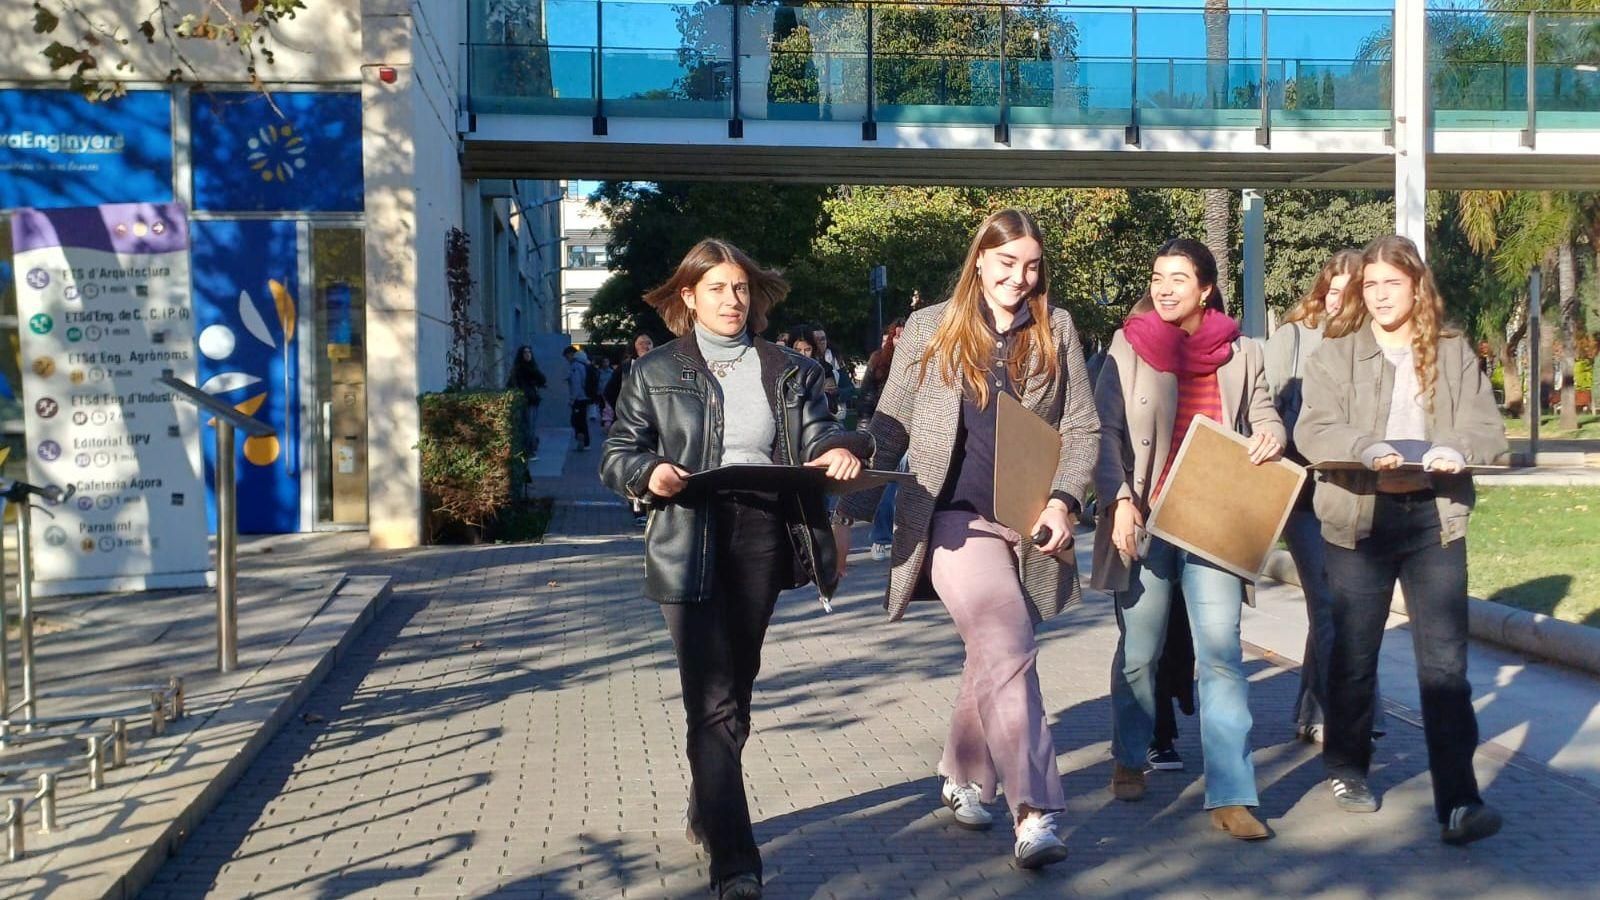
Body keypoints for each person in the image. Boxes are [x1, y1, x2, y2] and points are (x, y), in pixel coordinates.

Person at [600, 238, 871, 900]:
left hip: (762, 534)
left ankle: (707, 809)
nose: (732, 300)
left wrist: (838, 451)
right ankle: (737, 863)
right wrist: (649, 472)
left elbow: (821, 431)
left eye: (741, 288)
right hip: (687, 532)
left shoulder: (787, 368)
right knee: (713, 699)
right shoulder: (654, 371)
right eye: (717, 288)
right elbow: (617, 452)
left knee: (736, 691)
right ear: (688, 297)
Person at [838, 209, 1099, 870]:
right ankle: (1035, 811)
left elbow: (1083, 429)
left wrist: (1067, 502)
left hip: (1028, 519)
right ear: (980, 260)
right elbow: (890, 426)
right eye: (1007, 263)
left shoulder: (1056, 328)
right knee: (1011, 643)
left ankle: (959, 770)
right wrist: (846, 515)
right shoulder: (931, 328)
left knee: (991, 649)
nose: (1020, 277)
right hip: (951, 520)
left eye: (1032, 265)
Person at [1295, 234, 1508, 846]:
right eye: (1371, 285)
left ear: (1417, 285)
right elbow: (1315, 427)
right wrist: (1365, 449)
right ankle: (1347, 767)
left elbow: (1484, 427)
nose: (1382, 294)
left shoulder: (1452, 351)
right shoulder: (1336, 354)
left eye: (1393, 282)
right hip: (1359, 519)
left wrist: (1457, 450)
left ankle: (1460, 801)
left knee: (1445, 666)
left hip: (1432, 521)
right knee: (1354, 657)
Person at [1091, 238, 1285, 842]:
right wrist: (1119, 501)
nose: (1164, 287)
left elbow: (1265, 411)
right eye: (1157, 276)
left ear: (1206, 288)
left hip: (1214, 521)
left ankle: (1232, 793)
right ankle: (1130, 753)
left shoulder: (1242, 351)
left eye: (1179, 278)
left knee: (1221, 654)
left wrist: (1273, 435)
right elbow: (1104, 434)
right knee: (1142, 651)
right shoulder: (1128, 345)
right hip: (1145, 519)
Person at [1264, 248, 1388, 744]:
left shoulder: (1371, 347)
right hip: (1301, 496)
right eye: (1330, 289)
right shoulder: (1292, 338)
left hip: (1356, 495)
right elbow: (1262, 409)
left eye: (1347, 292)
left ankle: (1313, 710)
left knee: (1342, 608)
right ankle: (1357, 717)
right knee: (1332, 603)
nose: (1335, 301)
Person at [859, 319, 906, 562]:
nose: (900, 340)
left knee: (913, 487)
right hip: (884, 429)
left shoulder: (923, 361)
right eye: (895, 336)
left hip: (915, 431)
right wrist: (865, 428)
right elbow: (866, 396)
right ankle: (881, 538)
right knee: (886, 486)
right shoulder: (879, 361)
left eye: (904, 335)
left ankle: (910, 537)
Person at [605, 333, 658, 526]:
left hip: (656, 424)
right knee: (633, 463)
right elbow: (609, 391)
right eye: (642, 343)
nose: (646, 345)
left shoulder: (660, 364)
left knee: (653, 463)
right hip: (630, 424)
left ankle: (650, 504)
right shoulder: (626, 367)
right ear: (634, 346)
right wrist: (621, 410)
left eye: (649, 342)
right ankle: (637, 509)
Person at [506, 345, 546, 461]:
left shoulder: (532, 366)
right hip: (525, 399)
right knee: (527, 426)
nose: (528, 354)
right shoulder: (520, 369)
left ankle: (528, 448)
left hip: (532, 400)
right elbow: (512, 383)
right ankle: (528, 451)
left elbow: (542, 379)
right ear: (521, 355)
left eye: (529, 352)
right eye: (525, 352)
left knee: (529, 426)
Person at [564, 345, 592, 451]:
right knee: (582, 420)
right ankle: (584, 441)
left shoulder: (575, 366)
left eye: (567, 357)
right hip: (585, 397)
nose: (567, 360)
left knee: (577, 421)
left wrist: (572, 399)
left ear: (571, 354)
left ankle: (583, 440)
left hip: (579, 398)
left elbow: (576, 384)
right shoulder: (583, 363)